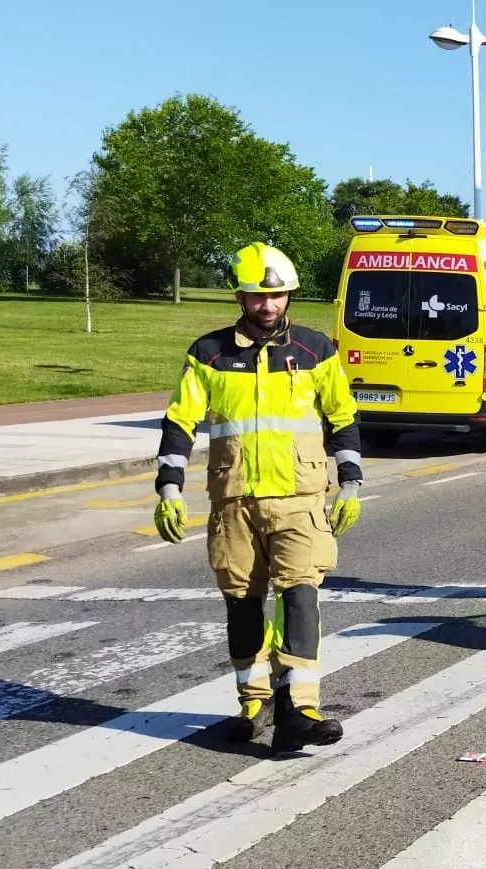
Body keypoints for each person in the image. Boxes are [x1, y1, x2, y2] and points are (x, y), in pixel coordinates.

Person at [151, 242, 364, 753]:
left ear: (289, 296)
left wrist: (351, 483)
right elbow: (180, 422)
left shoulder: (316, 350)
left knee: (301, 597)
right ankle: (256, 703)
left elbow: (343, 417)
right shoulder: (210, 353)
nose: (267, 306)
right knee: (243, 605)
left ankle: (300, 707)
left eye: (276, 296)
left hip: (300, 498)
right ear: (241, 297)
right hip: (235, 502)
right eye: (256, 296)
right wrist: (169, 488)